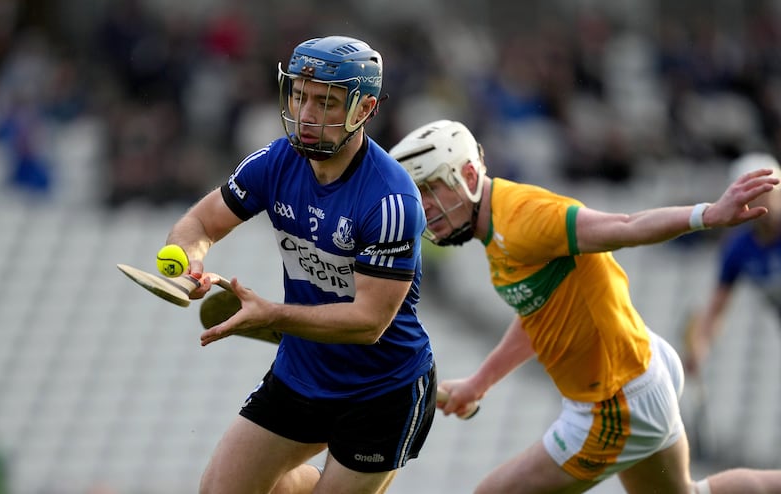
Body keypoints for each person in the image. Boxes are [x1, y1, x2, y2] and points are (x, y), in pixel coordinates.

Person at [389, 119, 781, 494]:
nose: (422, 207)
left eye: (430, 188)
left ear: (469, 177)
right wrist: (480, 382)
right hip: (637, 372)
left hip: (616, 401)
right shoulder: (498, 228)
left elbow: (626, 226)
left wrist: (707, 215)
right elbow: (538, 313)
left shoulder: (525, 218)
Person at [165, 36, 436, 494]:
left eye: (326, 102)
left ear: (365, 109)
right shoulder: (275, 162)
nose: (306, 114)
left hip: (382, 389)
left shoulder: (391, 201)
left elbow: (368, 322)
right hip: (303, 370)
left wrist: (272, 315)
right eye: (299, 95)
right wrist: (190, 261)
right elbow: (199, 222)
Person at [684, 152, 781, 377]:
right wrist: (700, 344)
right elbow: (716, 308)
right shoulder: (739, 249)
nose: (761, 200)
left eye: (767, 192)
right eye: (753, 195)